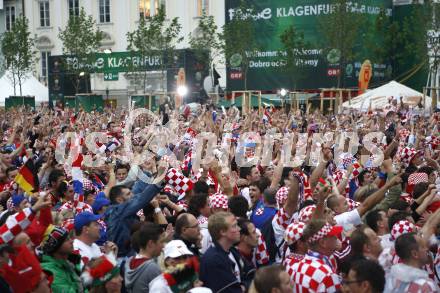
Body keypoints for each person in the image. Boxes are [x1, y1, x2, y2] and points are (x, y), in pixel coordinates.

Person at [104, 160, 167, 259]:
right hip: (123, 258)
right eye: (129, 194)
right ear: (119, 200)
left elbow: (137, 189)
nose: (132, 195)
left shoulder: (120, 206)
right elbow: (141, 198)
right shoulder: (118, 211)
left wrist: (146, 170)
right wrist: (160, 176)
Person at [290, 219, 342, 292]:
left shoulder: (295, 267)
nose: (336, 238)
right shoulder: (327, 273)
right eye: (333, 237)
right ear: (323, 243)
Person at [200, 211, 244, 292]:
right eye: (234, 226)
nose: (239, 229)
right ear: (223, 232)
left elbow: (249, 274)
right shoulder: (213, 260)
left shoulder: (233, 251)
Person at [40, 225, 84, 293]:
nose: (71, 241)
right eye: (66, 240)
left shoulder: (69, 262)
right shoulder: (50, 271)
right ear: (55, 246)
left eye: (69, 238)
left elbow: (82, 288)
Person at [124, 222, 164, 293]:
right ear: (151, 243)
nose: (163, 246)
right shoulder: (152, 268)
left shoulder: (129, 262)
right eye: (161, 242)